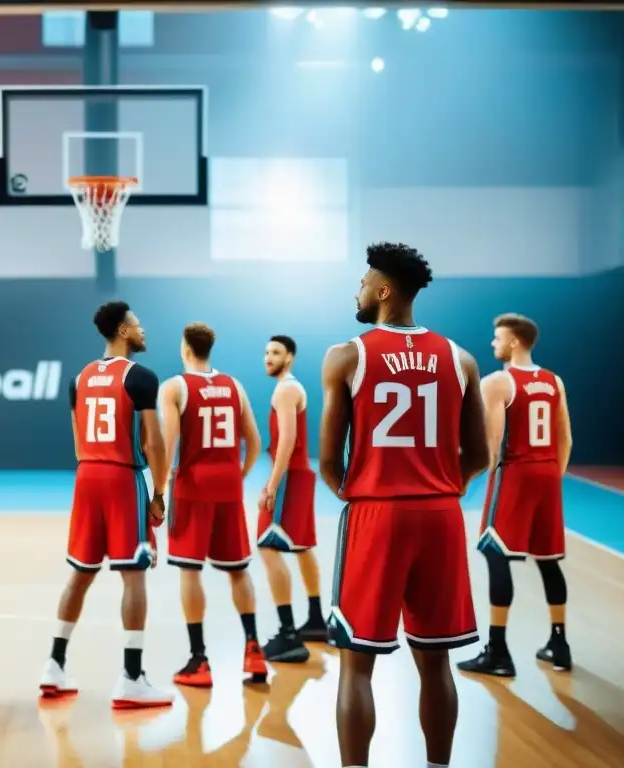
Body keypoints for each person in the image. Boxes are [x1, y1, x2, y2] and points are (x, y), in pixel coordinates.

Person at [319, 243, 490, 768]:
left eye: (364, 282)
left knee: (356, 665)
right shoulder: (461, 357)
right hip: (440, 516)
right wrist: (440, 488)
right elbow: (480, 456)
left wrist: (363, 494)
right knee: (435, 662)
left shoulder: (346, 354)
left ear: (384, 291)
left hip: (376, 515)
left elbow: (327, 460)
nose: (358, 290)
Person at [39, 301, 173, 709]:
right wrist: (159, 492)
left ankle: (54, 666)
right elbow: (153, 442)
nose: (142, 329)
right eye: (137, 323)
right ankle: (132, 677)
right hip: (120, 478)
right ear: (121, 330)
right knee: (134, 576)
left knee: (79, 575)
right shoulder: (142, 378)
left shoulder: (79, 379)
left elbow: (79, 439)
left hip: (86, 477)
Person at [458, 314, 573, 678]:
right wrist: (552, 477)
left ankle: (498, 651)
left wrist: (468, 480)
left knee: (496, 555)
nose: (493, 343)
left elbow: (491, 446)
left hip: (515, 475)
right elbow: (565, 438)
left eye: (497, 338)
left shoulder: (498, 383)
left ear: (514, 342)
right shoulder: (554, 381)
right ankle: (560, 643)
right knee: (548, 560)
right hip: (548, 473)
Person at [159, 322, 268, 687]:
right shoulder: (233, 386)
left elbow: (167, 444)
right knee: (239, 570)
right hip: (228, 487)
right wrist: (240, 472)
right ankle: (254, 649)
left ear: (185, 348)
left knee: (189, 570)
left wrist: (159, 491)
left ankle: (198, 659)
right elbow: (254, 442)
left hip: (192, 488)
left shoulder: (174, 387)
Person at [257, 335, 328, 663]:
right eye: (267, 352)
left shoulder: (285, 389)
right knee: (301, 547)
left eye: (276, 352)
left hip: (288, 477)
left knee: (268, 548)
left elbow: (288, 439)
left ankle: (288, 634)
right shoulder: (292, 388)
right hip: (299, 475)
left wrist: (272, 485)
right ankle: (316, 620)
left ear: (290, 357)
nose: (268, 357)